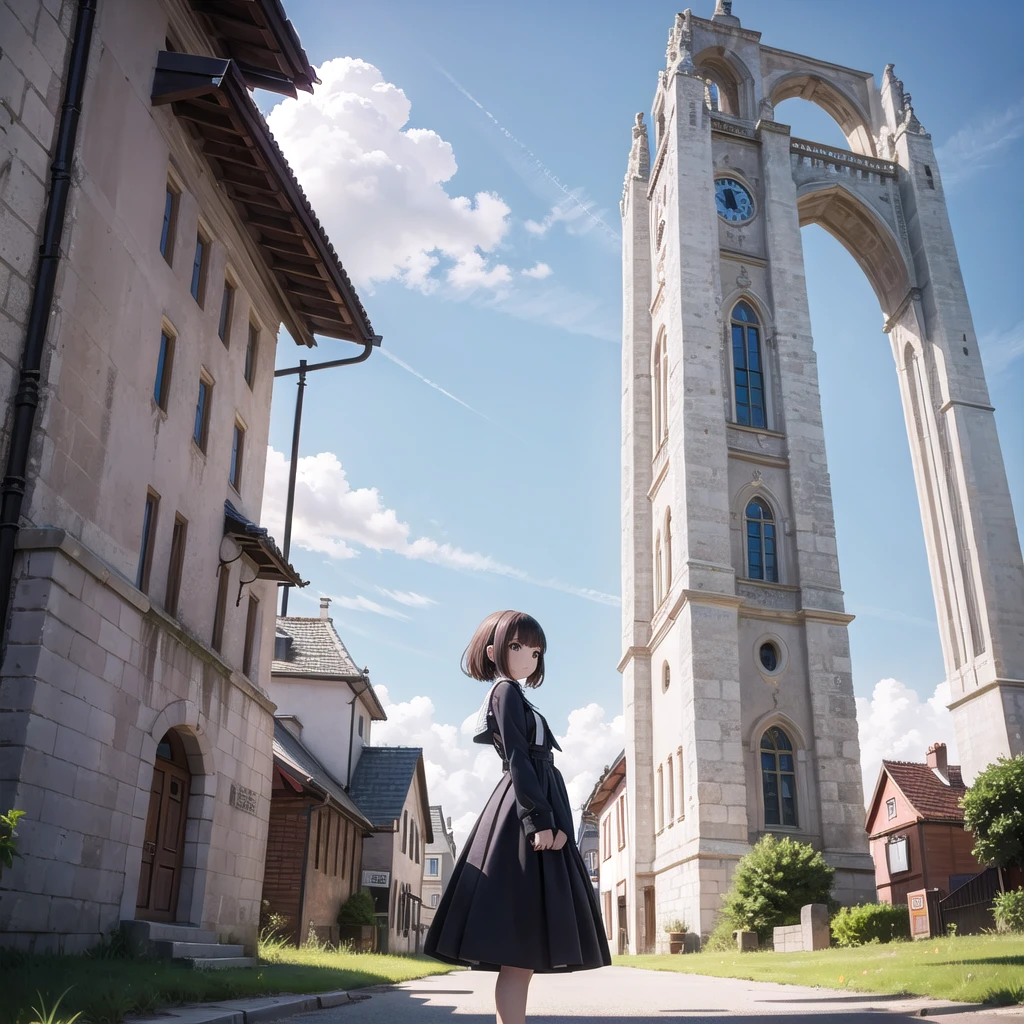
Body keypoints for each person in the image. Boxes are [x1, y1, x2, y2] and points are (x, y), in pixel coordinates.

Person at [423, 610, 611, 1024]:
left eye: (536, 650)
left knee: (522, 950)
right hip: (523, 811)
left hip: (538, 801)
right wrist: (538, 822)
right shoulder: (505, 691)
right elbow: (518, 758)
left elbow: (538, 765)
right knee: (517, 944)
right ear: (493, 651)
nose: (529, 656)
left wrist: (559, 821)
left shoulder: (519, 695)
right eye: (517, 646)